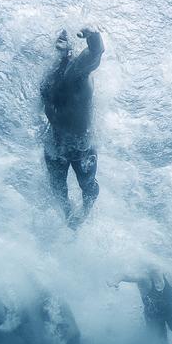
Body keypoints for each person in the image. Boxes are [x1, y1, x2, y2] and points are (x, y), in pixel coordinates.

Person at [40, 26, 104, 229]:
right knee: (58, 189)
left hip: (80, 147)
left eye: (64, 39)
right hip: (54, 145)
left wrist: (94, 37)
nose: (59, 42)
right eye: (58, 38)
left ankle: (84, 214)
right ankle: (69, 217)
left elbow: (95, 54)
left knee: (87, 186)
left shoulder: (77, 71)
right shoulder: (48, 75)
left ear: (70, 48)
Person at [110, 268, 172, 341]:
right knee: (161, 342)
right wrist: (115, 281)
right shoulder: (143, 278)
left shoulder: (166, 271)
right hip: (153, 315)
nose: (158, 283)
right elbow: (124, 275)